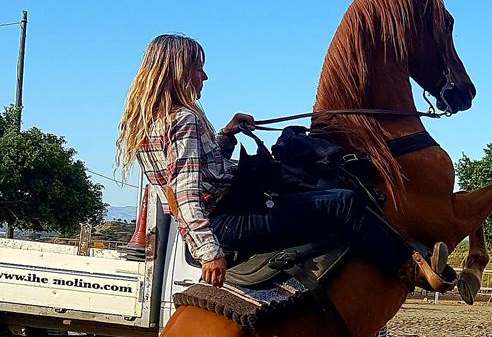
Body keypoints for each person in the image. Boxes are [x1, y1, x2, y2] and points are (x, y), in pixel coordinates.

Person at [116, 34, 413, 287]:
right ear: (178, 72)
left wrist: (227, 134)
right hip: (228, 220)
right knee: (342, 201)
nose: (204, 77)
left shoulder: (148, 123)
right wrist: (209, 251)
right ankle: (408, 268)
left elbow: (201, 171)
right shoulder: (184, 118)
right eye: (198, 69)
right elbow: (184, 192)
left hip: (224, 213)